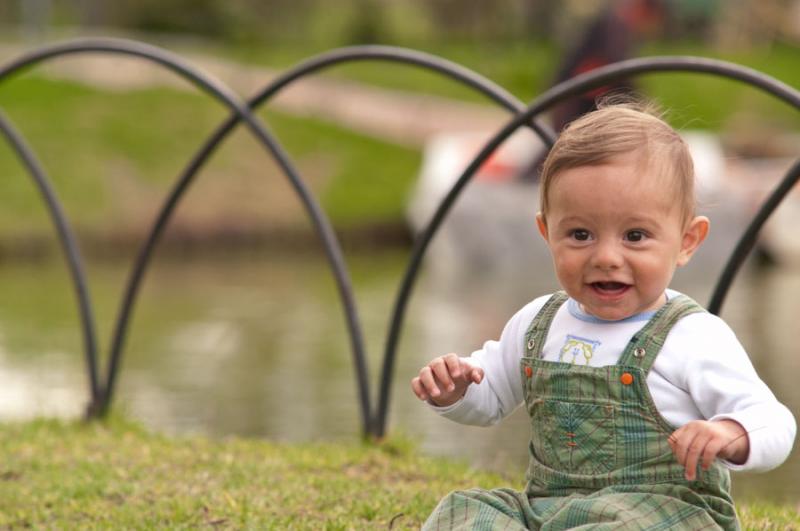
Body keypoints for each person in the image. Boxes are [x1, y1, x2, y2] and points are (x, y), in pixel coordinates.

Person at [411, 101, 796, 530]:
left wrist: (733, 433)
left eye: (635, 236)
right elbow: (492, 397)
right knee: (465, 512)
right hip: (551, 511)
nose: (607, 257)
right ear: (547, 232)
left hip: (664, 516)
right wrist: (456, 392)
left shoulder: (692, 335)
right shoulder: (539, 322)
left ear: (687, 241)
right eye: (580, 234)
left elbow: (774, 422)